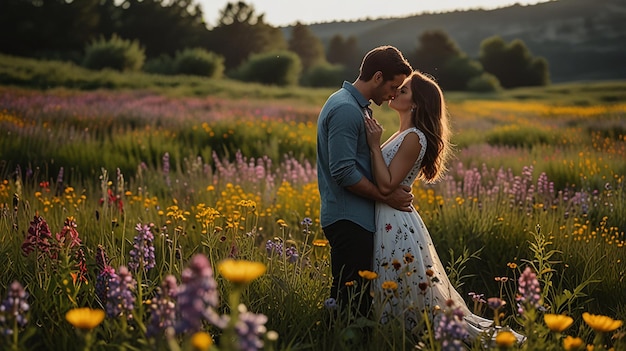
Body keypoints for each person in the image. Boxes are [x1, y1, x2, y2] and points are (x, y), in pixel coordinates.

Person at [364, 70, 525, 343]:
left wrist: (374, 145)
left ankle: (410, 338)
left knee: (401, 284)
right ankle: (397, 337)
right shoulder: (402, 134)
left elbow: (387, 185)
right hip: (388, 215)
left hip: (395, 220)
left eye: (403, 91)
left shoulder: (414, 137)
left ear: (416, 104)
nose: (396, 93)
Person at [316, 45, 414, 317]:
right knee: (351, 303)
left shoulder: (357, 108)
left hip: (356, 217)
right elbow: (344, 172)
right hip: (349, 219)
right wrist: (387, 196)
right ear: (378, 76)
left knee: (355, 299)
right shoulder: (346, 109)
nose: (394, 94)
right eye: (393, 86)